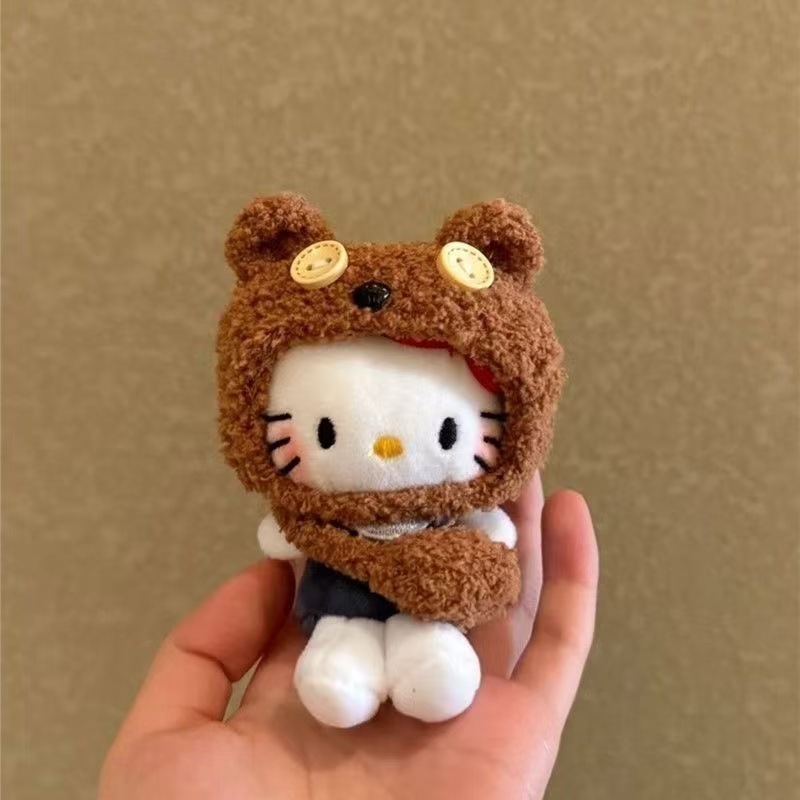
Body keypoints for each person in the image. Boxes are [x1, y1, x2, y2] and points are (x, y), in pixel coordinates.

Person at [99, 477, 598, 799]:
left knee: (430, 648)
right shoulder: (325, 519)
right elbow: (285, 533)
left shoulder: (449, 509)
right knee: (338, 655)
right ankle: (346, 671)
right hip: (339, 607)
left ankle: (430, 659)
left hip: (425, 607)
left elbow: (494, 530)